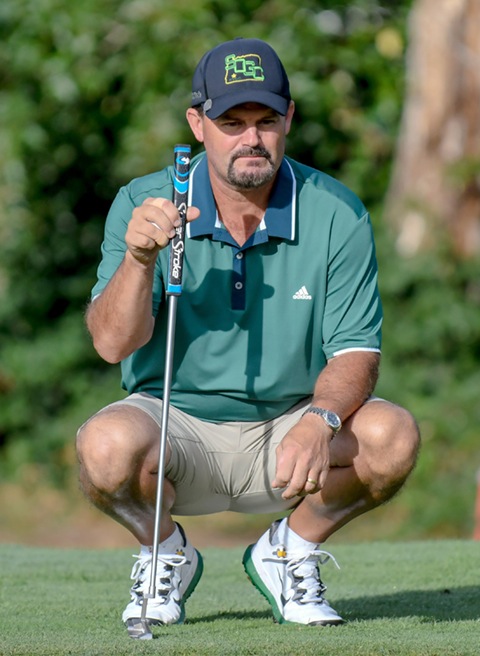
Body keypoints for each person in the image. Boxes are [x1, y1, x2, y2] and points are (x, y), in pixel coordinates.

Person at [77, 37, 420, 628]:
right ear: (198, 124)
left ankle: (288, 551)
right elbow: (112, 345)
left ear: (289, 119)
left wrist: (320, 420)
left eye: (266, 120)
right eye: (231, 122)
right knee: (103, 447)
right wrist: (138, 259)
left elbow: (356, 351)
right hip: (176, 425)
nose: (251, 138)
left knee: (392, 436)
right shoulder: (145, 200)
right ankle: (165, 553)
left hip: (292, 428)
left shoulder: (335, 211)